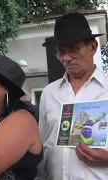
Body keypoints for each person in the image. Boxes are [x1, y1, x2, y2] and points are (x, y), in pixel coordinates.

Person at [38, 13, 108, 179]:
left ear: (93, 47)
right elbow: (42, 145)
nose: (66, 58)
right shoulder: (49, 93)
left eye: (73, 49)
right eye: (61, 52)